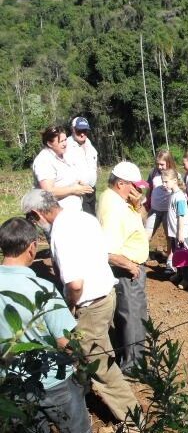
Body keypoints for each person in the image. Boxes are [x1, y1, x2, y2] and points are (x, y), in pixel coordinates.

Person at [21, 189, 140, 425]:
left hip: (90, 304)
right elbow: (103, 253)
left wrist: (68, 306)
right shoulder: (84, 217)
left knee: (101, 366)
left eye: (31, 219)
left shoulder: (61, 233)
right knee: (92, 352)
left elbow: (75, 284)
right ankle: (83, 393)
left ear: (37, 213)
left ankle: (133, 418)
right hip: (107, 296)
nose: (33, 225)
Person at [0, 217, 91, 433]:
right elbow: (64, 341)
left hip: (10, 382)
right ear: (32, 248)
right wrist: (80, 363)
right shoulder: (42, 289)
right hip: (51, 380)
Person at [97, 161, 150, 375]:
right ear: (120, 183)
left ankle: (128, 358)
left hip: (128, 267)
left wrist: (137, 205)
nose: (138, 189)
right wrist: (130, 266)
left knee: (127, 315)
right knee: (134, 317)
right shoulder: (114, 209)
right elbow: (109, 252)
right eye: (134, 185)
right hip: (127, 270)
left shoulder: (112, 197)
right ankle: (134, 366)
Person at [32, 125, 93, 212]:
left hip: (73, 210)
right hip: (56, 214)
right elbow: (48, 192)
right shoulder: (44, 161)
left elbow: (64, 179)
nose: (65, 144)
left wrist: (78, 183)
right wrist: (73, 190)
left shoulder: (64, 155)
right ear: (49, 143)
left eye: (65, 140)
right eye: (61, 141)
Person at [145, 149, 177, 274]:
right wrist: (147, 200)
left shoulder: (174, 175)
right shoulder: (153, 172)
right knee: (146, 233)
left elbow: (178, 191)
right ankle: (140, 257)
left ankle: (170, 261)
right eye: (158, 164)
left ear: (169, 163)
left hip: (168, 211)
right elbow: (149, 188)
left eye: (162, 164)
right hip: (154, 209)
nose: (159, 166)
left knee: (169, 236)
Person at [162, 169, 188, 290]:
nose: (164, 184)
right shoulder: (172, 194)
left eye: (166, 182)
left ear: (174, 180)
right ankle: (179, 273)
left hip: (180, 233)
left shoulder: (179, 197)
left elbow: (181, 216)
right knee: (177, 254)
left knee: (184, 256)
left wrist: (180, 234)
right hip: (174, 232)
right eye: (163, 182)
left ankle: (187, 278)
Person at [66, 117, 99, 215]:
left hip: (92, 190)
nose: (82, 133)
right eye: (79, 130)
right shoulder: (67, 146)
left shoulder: (89, 143)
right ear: (73, 129)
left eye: (84, 130)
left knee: (92, 218)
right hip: (78, 192)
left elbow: (93, 164)